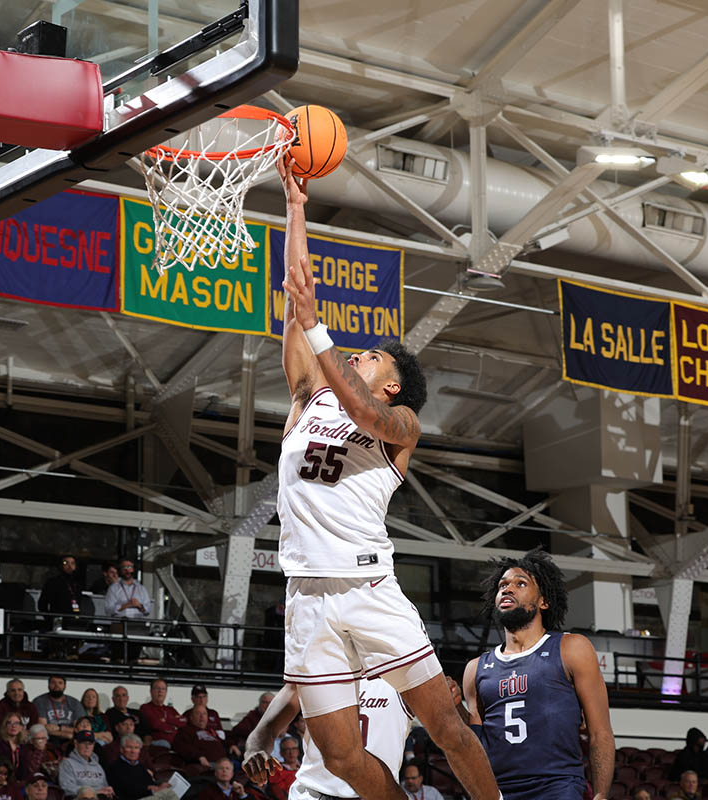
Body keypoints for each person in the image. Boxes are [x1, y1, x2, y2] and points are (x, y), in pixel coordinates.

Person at [276, 157, 497, 800]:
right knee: (342, 760)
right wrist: (296, 207)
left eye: (370, 354)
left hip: (369, 585)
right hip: (305, 596)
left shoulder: (398, 422)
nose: (356, 352)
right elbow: (297, 295)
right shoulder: (307, 397)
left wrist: (319, 327)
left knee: (446, 724)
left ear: (392, 380)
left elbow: (360, 409)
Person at [461, 549, 614, 800]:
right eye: (503, 585)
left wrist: (600, 794)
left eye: (520, 583)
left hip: (556, 785)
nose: (508, 589)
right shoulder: (475, 668)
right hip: (496, 790)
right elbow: (473, 741)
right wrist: (455, 707)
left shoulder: (571, 648)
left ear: (543, 601)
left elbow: (600, 732)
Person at [243, 679, 411, 800]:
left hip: (375, 794)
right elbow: (267, 727)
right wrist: (255, 750)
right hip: (315, 792)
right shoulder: (316, 673)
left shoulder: (402, 679)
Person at [104, 558, 152, 663]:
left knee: (133, 657)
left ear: (133, 569)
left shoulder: (141, 588)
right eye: (124, 567)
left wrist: (139, 606)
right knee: (118, 657)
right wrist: (124, 606)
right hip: (119, 625)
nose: (127, 570)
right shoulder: (114, 588)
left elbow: (147, 610)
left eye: (129, 567)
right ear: (120, 570)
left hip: (136, 626)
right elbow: (108, 609)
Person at [105, 734, 177, 800]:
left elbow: (149, 783)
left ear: (140, 750)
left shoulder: (140, 766)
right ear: (121, 749)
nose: (133, 751)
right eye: (129, 747)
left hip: (148, 796)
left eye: (136, 748)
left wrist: (160, 786)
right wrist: (150, 789)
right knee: (168, 794)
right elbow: (127, 790)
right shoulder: (115, 767)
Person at [57, 731, 113, 799]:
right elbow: (67, 788)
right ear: (76, 744)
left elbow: (104, 787)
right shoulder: (67, 763)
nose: (87, 746)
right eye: (84, 743)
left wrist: (108, 790)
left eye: (90, 743)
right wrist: (95, 792)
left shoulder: (98, 766)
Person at [33, 676, 83, 743]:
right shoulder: (40, 701)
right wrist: (66, 734)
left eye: (60, 683)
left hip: (71, 740)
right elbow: (42, 728)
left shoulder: (74, 703)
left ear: (64, 686)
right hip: (48, 740)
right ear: (48, 685)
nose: (57, 685)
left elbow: (80, 729)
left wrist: (59, 728)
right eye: (53, 683)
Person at [40, 555, 85, 630]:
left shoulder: (77, 584)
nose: (69, 566)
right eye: (66, 563)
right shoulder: (52, 582)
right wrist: (49, 619)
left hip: (73, 621)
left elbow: (78, 603)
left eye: (72, 563)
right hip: (57, 619)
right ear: (61, 565)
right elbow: (42, 604)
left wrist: (77, 616)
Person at [138, 679, 184, 748]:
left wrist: (166, 720)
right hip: (158, 741)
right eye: (157, 688)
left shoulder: (170, 709)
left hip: (175, 741)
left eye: (163, 689)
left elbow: (183, 722)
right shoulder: (145, 707)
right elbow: (155, 724)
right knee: (165, 744)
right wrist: (174, 724)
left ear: (166, 692)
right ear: (151, 691)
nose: (160, 691)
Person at [0, 714, 29, 779]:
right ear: (5, 726)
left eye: (17, 723)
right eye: (9, 723)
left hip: (20, 782)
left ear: (21, 727)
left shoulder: (23, 746)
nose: (13, 726)